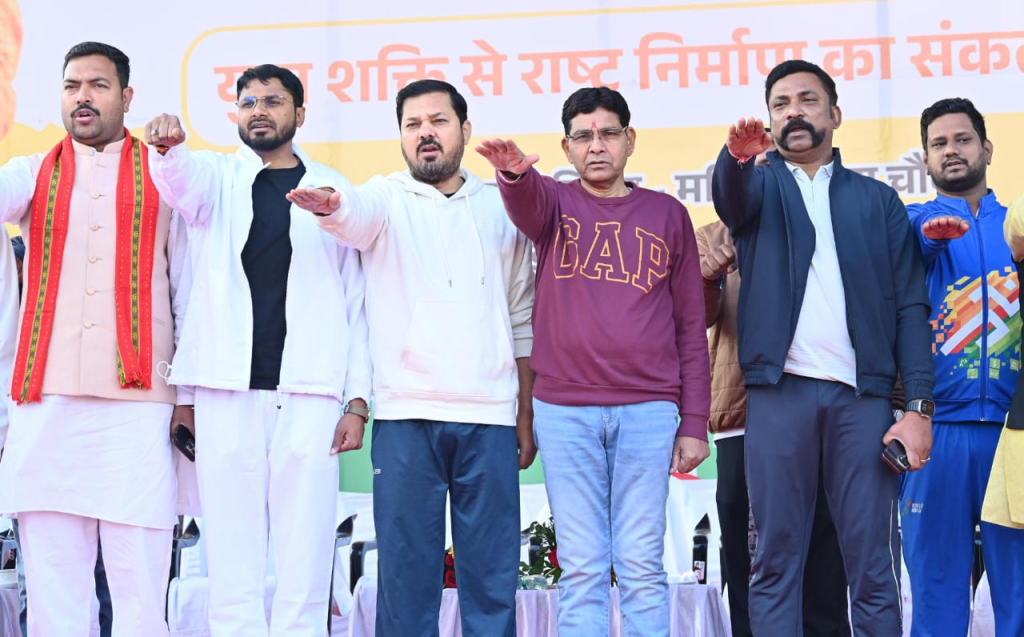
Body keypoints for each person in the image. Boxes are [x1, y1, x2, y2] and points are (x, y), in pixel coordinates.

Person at [286, 79, 535, 637]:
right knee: (405, 580)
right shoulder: (385, 197)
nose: (426, 133)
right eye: (413, 124)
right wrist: (332, 206)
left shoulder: (502, 207)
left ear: (464, 130)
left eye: (438, 121)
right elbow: (353, 213)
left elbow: (522, 316)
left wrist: (524, 413)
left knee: (492, 579)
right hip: (406, 415)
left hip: (490, 415)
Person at [475, 86, 711, 637]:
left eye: (608, 134)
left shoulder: (668, 214)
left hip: (648, 410)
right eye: (582, 136)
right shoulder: (554, 205)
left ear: (630, 139)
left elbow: (689, 325)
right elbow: (526, 201)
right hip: (565, 411)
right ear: (567, 147)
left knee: (641, 565)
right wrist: (513, 175)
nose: (596, 146)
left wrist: (695, 422)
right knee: (581, 567)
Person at [710, 59, 935, 636]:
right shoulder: (758, 190)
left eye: (807, 100)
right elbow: (730, 200)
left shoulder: (878, 201)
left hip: (862, 402)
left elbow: (911, 308)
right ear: (769, 121)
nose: (794, 112)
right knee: (774, 561)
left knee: (873, 564)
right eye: (780, 104)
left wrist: (917, 409)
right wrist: (736, 160)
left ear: (834, 114)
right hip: (778, 396)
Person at [145, 64, 371, 637]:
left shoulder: (333, 191)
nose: (259, 111)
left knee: (305, 554)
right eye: (248, 102)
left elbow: (356, 304)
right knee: (230, 557)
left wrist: (357, 401)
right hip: (226, 392)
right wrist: (167, 150)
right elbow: (178, 184)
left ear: (300, 113)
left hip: (310, 393)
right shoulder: (216, 179)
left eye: (273, 101)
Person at [0, 41, 189, 636]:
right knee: (54, 595)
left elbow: (187, 290)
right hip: (46, 407)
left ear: (126, 96)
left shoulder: (166, 172)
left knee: (140, 593)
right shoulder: (31, 172)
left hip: (138, 410)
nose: (82, 97)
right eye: (71, 86)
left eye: (98, 86)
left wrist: (187, 396)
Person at [699, 144, 851, 637]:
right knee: (747, 559)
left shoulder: (829, 228)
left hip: (822, 413)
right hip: (742, 419)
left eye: (774, 163)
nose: (764, 174)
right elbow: (689, 319)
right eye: (752, 167)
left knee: (824, 549)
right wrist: (710, 277)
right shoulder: (711, 238)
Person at [901, 97, 1024, 637]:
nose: (951, 150)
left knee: (1019, 592)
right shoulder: (910, 223)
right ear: (926, 160)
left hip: (1013, 435)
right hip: (936, 432)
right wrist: (930, 237)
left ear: (987, 149)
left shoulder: (1017, 227)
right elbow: (908, 250)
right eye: (938, 143)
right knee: (935, 593)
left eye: (962, 139)